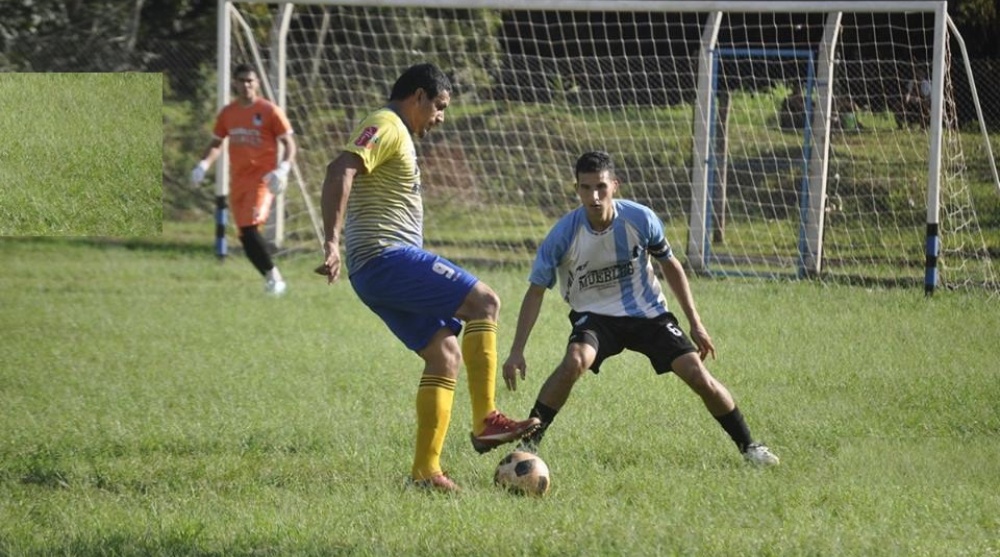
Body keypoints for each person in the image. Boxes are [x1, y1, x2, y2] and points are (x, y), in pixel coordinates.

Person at [315, 62, 540, 493]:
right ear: (417, 96)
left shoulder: (398, 132)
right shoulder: (386, 124)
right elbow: (339, 169)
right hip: (385, 259)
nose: (440, 117)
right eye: (438, 106)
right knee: (485, 302)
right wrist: (330, 242)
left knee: (445, 356)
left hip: (376, 272)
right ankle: (486, 420)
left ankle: (425, 473)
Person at [501, 150, 779, 467]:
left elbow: (670, 265)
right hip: (595, 317)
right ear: (576, 188)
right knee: (574, 361)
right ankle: (529, 447)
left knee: (697, 374)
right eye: (586, 187)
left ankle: (750, 447)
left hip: (648, 314)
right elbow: (535, 291)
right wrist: (516, 350)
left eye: (601, 187)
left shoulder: (640, 218)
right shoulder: (563, 235)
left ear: (615, 186)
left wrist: (695, 322)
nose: (594, 196)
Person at [191, 63, 297, 295]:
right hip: (238, 181)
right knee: (245, 236)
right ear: (235, 83)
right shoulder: (228, 113)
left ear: (257, 83)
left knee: (250, 228)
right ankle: (272, 277)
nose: (246, 85)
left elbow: (289, 143)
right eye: (242, 80)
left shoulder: (269, 111)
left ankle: (276, 279)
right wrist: (203, 164)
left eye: (250, 81)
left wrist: (283, 168)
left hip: (262, 180)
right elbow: (217, 142)